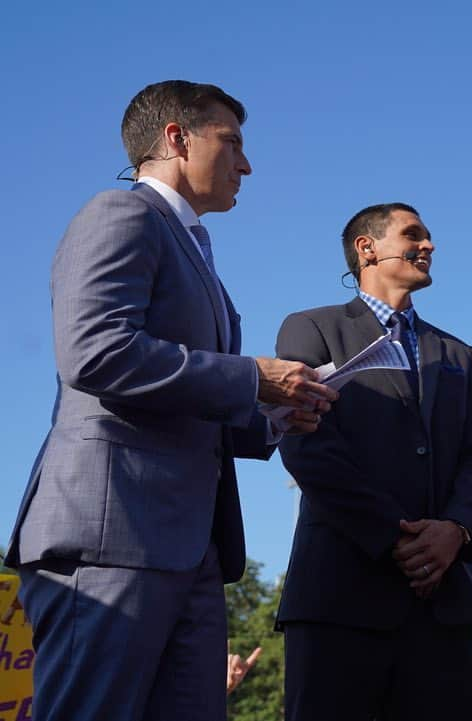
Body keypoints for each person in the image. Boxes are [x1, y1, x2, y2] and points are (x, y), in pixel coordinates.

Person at [5, 80, 336, 721]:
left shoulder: (197, 254)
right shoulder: (119, 213)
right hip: (112, 537)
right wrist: (249, 379)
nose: (246, 164)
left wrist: (270, 416)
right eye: (232, 142)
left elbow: (187, 399)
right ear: (177, 139)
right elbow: (94, 351)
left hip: (188, 548)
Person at [275, 203, 472, 721]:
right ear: (367, 247)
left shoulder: (459, 354)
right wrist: (395, 537)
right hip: (340, 597)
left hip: (443, 606)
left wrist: (457, 531)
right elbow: (306, 444)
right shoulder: (312, 329)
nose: (429, 245)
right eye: (413, 234)